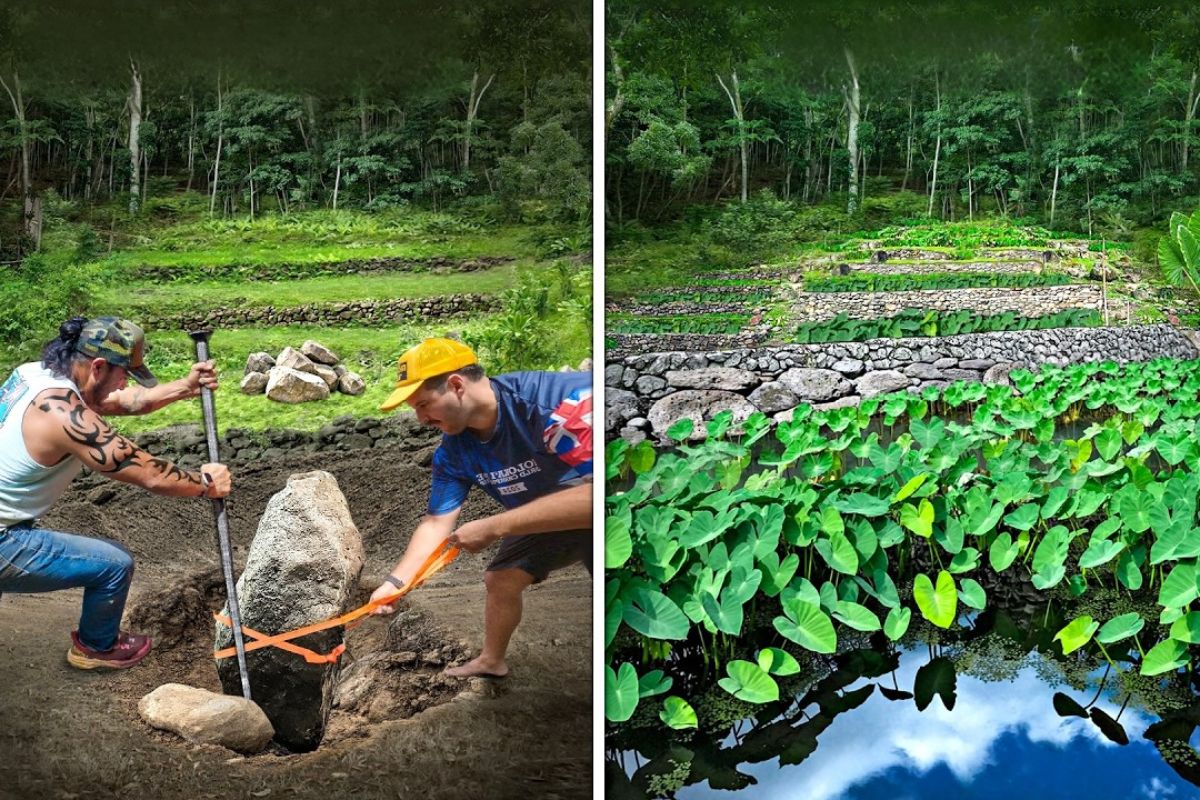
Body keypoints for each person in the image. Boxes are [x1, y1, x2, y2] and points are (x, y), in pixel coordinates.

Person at [0, 316, 231, 670]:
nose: (124, 383)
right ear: (97, 366)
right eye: (123, 373)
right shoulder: (64, 415)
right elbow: (149, 474)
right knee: (113, 565)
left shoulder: (37, 375)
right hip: (4, 537)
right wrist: (205, 484)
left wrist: (184, 387)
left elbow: (119, 402)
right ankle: (96, 647)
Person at [370, 337, 592, 679]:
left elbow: (598, 496)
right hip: (545, 514)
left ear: (456, 385)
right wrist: (396, 582)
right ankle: (492, 661)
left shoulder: (551, 406)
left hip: (613, 507)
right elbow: (435, 522)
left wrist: (493, 526)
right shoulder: (454, 452)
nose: (420, 419)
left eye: (424, 404)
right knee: (501, 577)